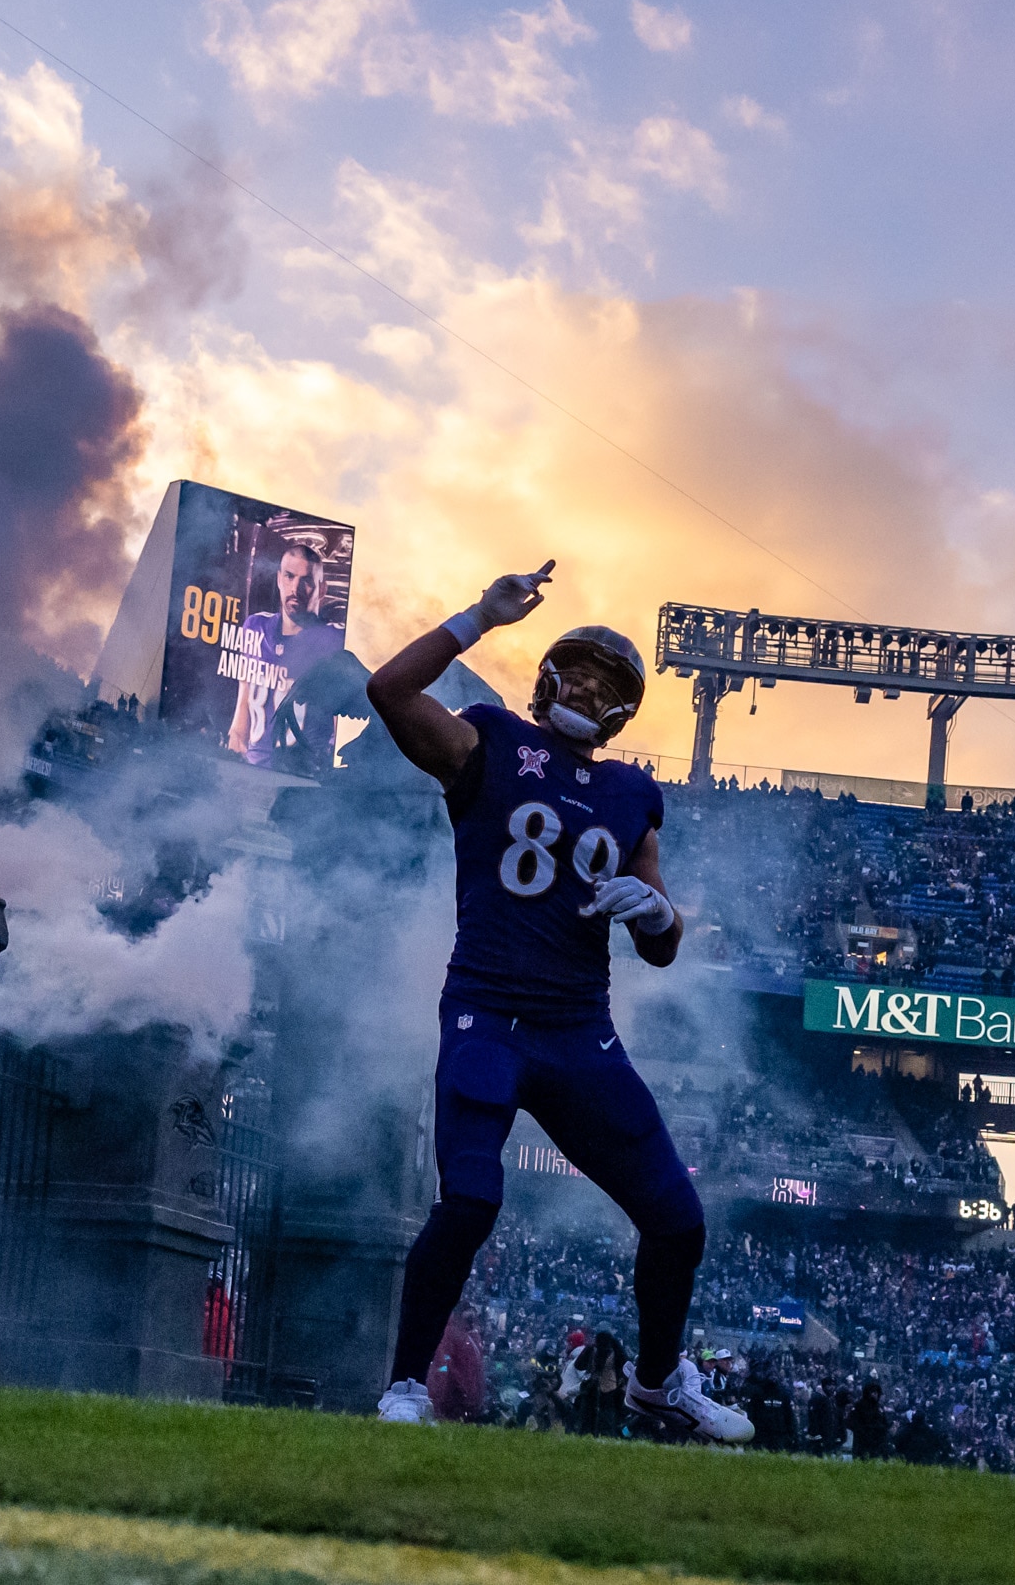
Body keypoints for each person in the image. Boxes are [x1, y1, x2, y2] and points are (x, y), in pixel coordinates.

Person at [365, 563, 747, 1443]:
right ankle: (403, 1385)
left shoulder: (629, 794)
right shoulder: (488, 739)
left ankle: (656, 1382)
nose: (587, 687)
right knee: (468, 1202)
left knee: (678, 1220)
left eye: (607, 684)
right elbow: (388, 687)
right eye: (576, 671)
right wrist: (476, 619)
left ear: (623, 710)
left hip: (578, 1029)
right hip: (488, 1012)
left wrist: (660, 910)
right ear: (545, 680)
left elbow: (659, 943)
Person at [224, 537, 347, 769]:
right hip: (255, 767)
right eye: (289, 577)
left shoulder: (334, 641)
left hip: (301, 777)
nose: (295, 589)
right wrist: (236, 741)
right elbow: (244, 702)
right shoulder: (255, 626)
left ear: (322, 589)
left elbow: (341, 720)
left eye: (306, 581)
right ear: (279, 579)